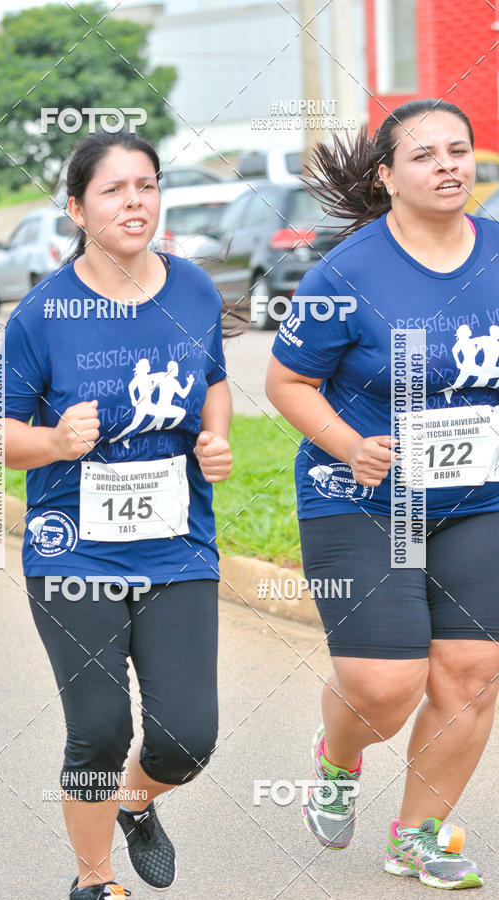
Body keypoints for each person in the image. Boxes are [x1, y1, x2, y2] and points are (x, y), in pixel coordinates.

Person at [0, 130, 233, 898]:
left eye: (147, 185)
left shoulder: (193, 289)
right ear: (77, 210)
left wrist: (216, 435)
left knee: (186, 740)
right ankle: (95, 881)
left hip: (176, 545)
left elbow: (215, 379)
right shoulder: (42, 313)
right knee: (99, 729)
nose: (135, 201)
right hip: (73, 552)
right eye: (114, 190)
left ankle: (134, 804)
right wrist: (57, 439)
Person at [265, 99, 499, 890]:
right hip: (362, 495)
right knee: (383, 686)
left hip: (478, 497)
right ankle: (337, 760)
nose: (447, 167)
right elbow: (287, 381)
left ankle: (419, 835)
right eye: (425, 155)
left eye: (458, 151)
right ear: (387, 177)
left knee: (471, 670)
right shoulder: (347, 273)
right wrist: (348, 444)